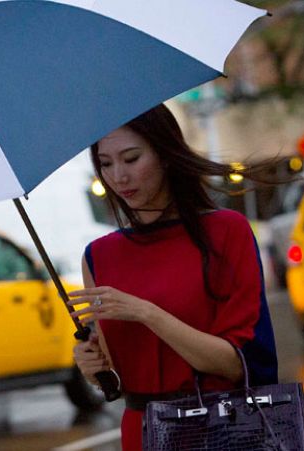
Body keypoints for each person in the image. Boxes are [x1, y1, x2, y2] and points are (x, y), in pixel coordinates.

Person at [67, 103, 278, 450]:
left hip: (223, 429)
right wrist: (93, 367)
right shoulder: (98, 255)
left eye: (131, 158)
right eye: (106, 164)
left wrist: (146, 313)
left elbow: (238, 362)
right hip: (143, 432)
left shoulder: (226, 232)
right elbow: (117, 379)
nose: (119, 176)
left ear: (165, 155)